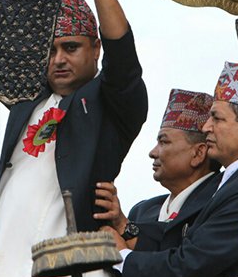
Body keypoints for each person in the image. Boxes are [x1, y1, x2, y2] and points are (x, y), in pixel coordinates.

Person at [0, 0, 149, 277]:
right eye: (50, 50)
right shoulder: (28, 98)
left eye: (71, 47)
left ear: (96, 49)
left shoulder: (110, 104)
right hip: (8, 266)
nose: (58, 59)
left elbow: (124, 60)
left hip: (77, 273)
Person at [111, 61, 238, 277]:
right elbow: (181, 240)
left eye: (217, 119)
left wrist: (121, 257)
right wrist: (124, 228)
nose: (207, 126)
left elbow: (189, 264)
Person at [93, 89, 220, 259]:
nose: (153, 152)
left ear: (198, 154)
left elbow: (184, 263)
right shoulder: (142, 211)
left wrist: (124, 231)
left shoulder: (219, 204)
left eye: (164, 141)